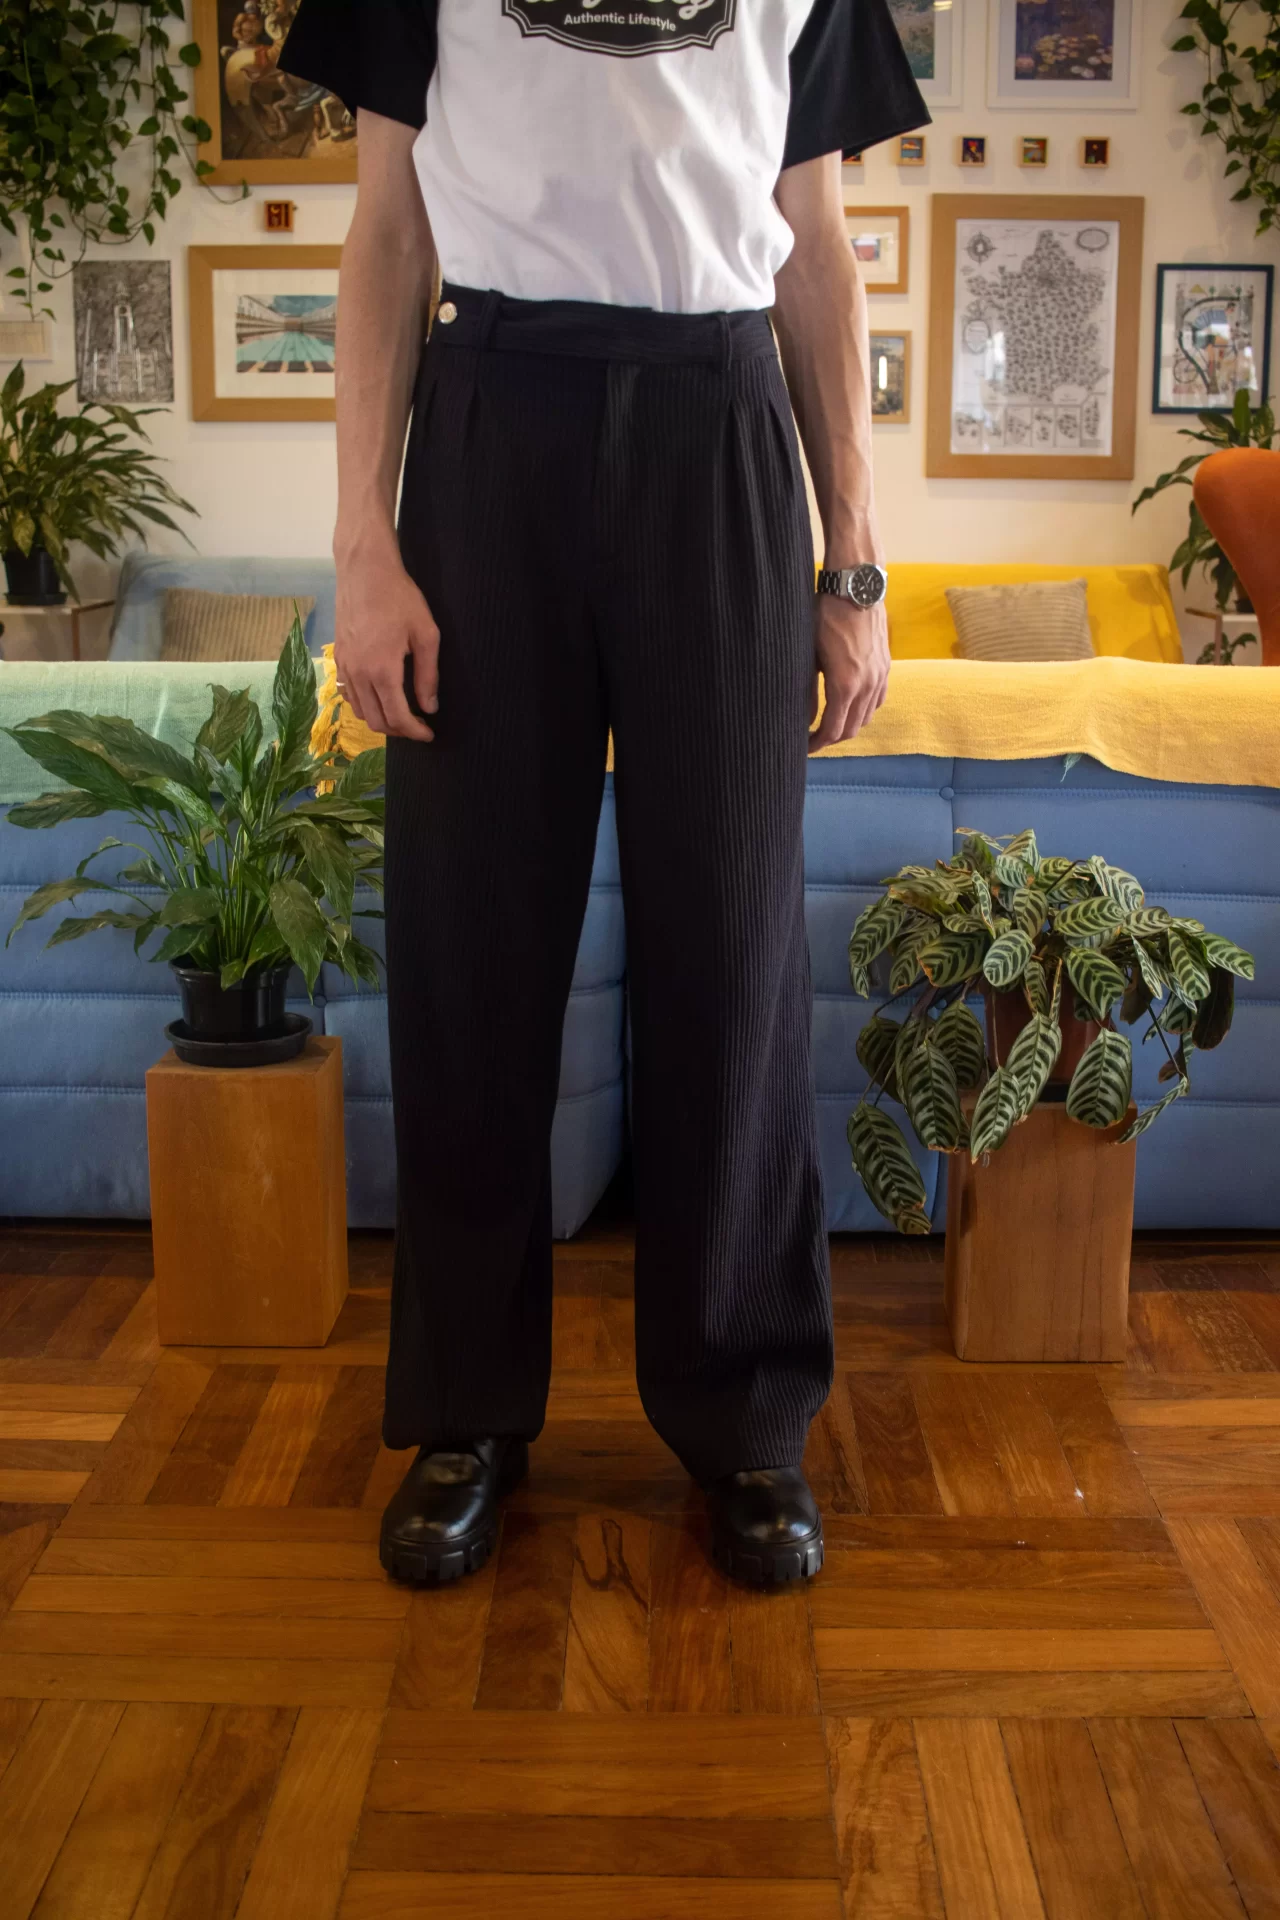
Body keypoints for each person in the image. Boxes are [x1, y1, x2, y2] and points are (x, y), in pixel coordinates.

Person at [280, 0, 927, 1589]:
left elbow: (815, 244)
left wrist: (853, 556)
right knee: (472, 951)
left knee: (732, 951)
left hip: (720, 421)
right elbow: (386, 233)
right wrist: (364, 543)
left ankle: (745, 1417)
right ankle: (466, 1416)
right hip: (490, 418)